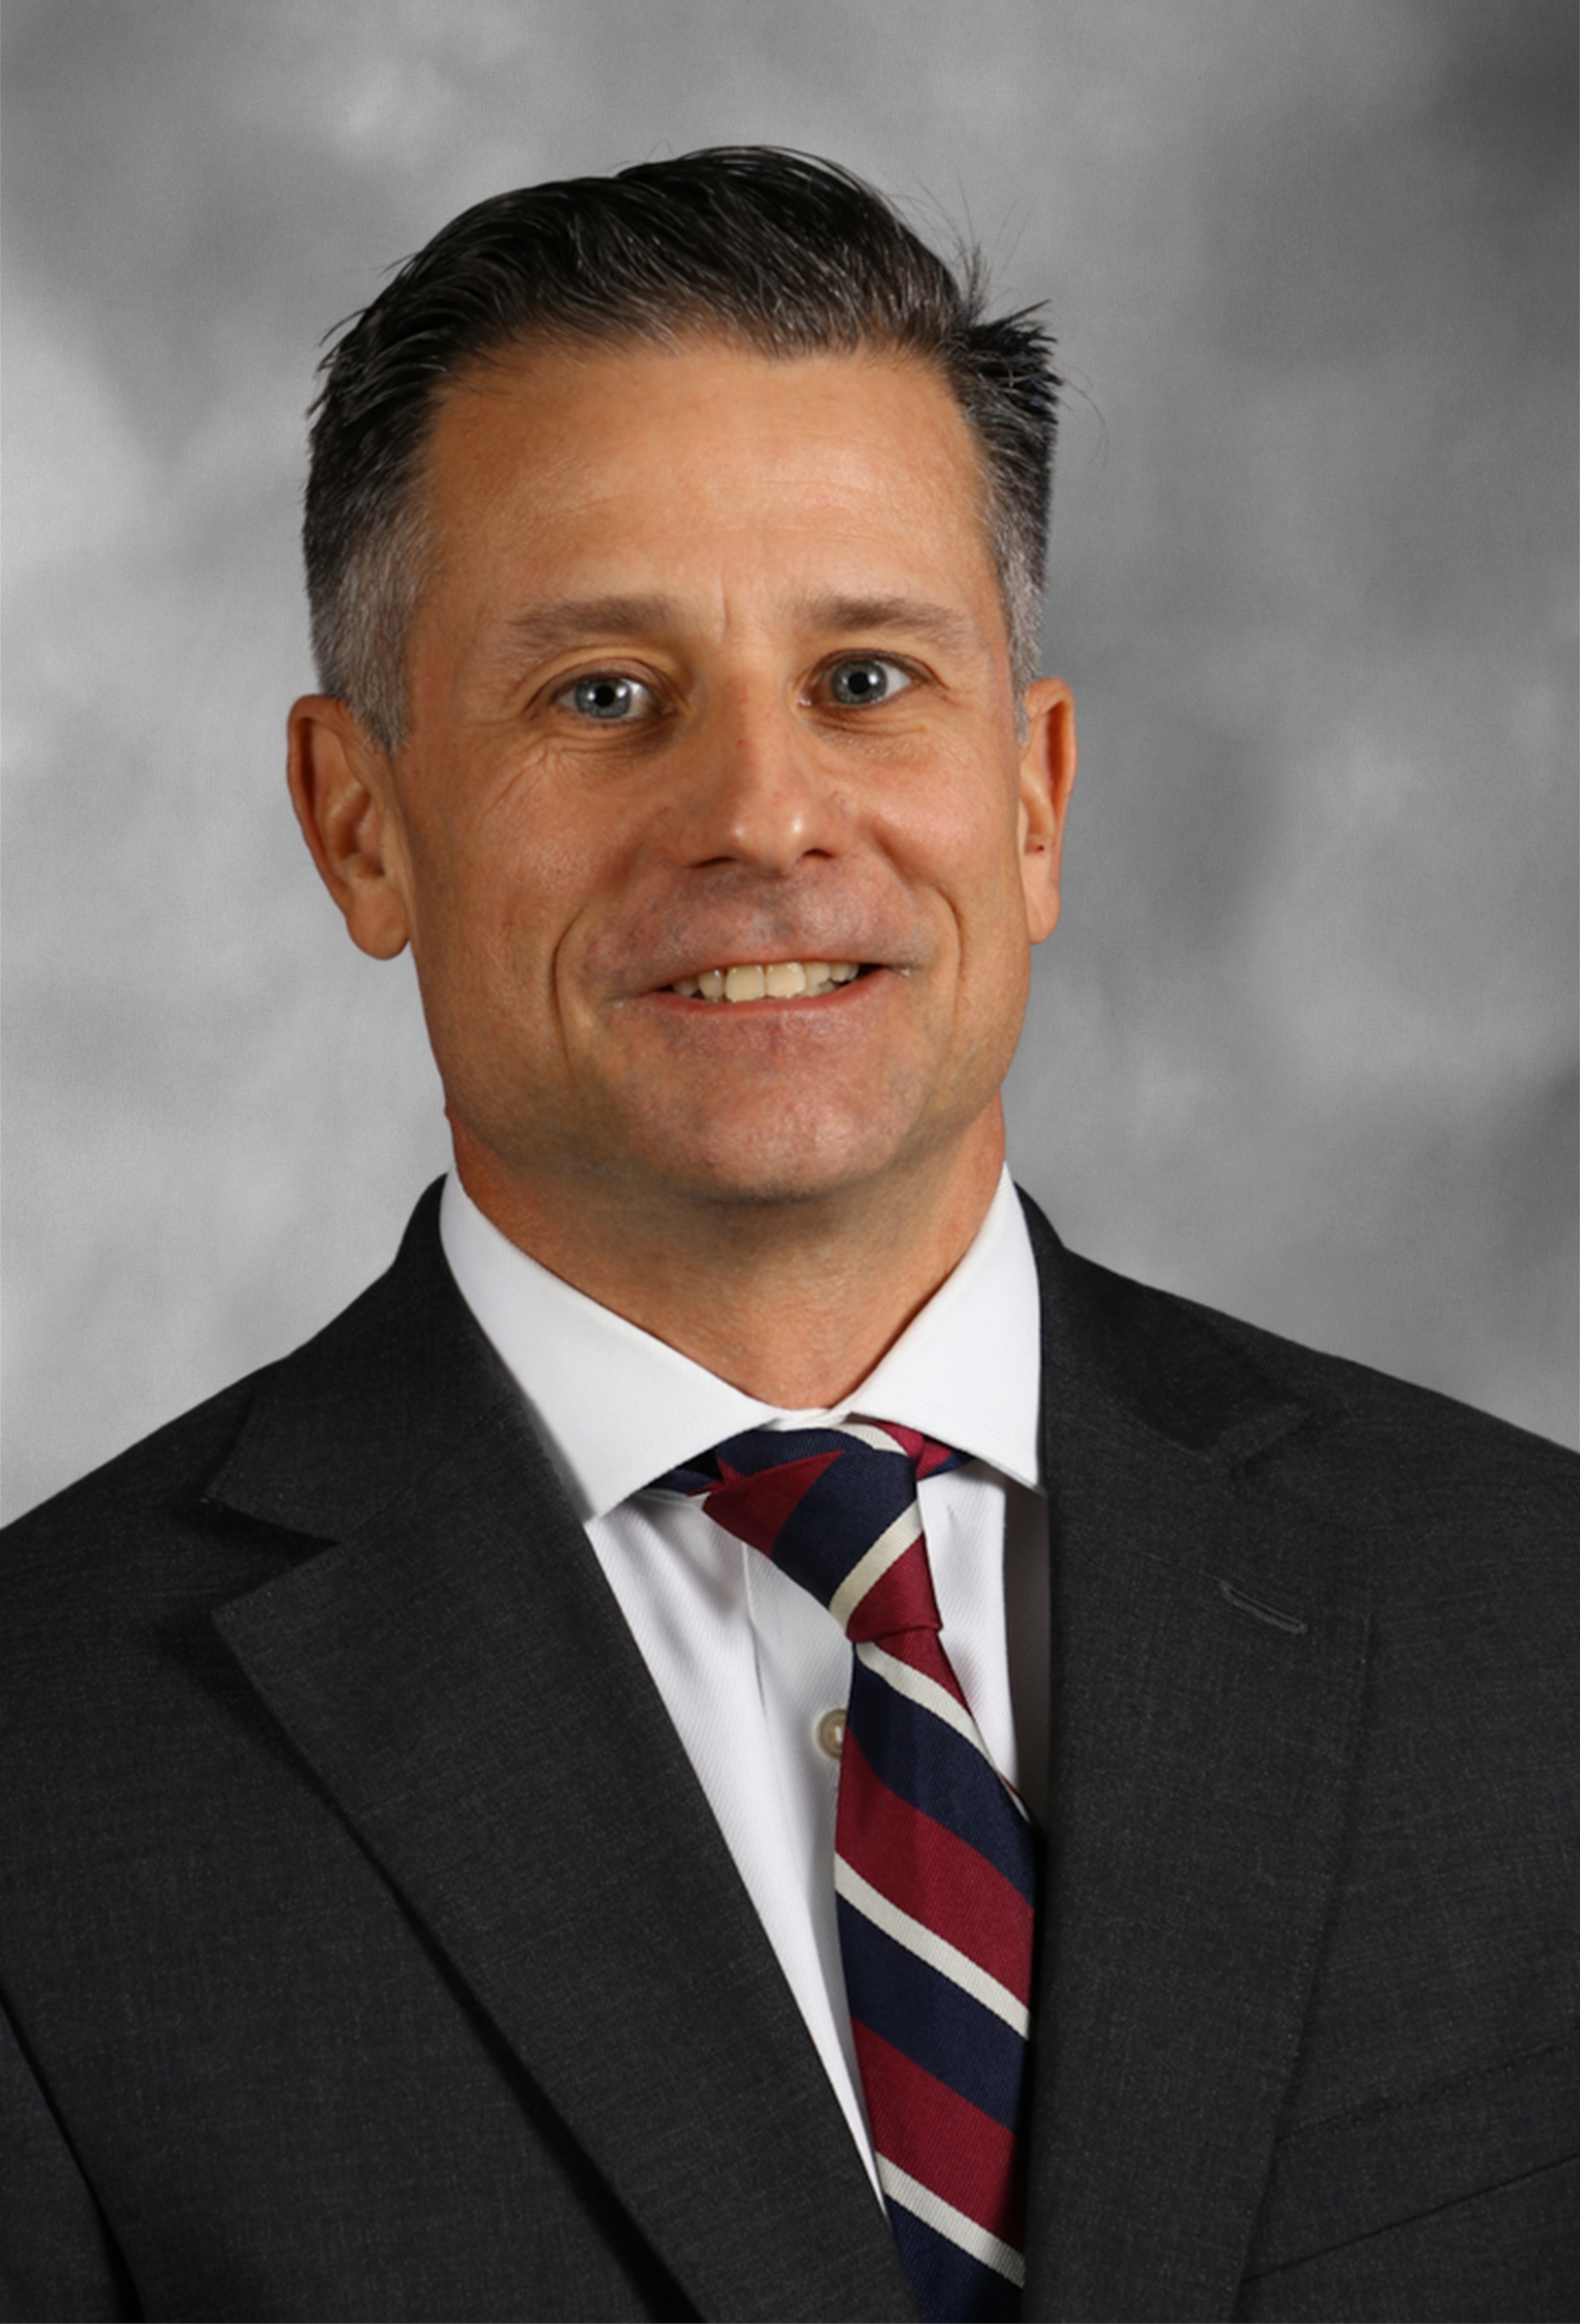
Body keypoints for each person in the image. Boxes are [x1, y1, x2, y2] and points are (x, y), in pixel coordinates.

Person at [1, 148, 1574, 2324]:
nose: (758, 815)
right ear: (360, 825)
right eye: (601, 694)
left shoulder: (1528, 1624)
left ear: (1032, 797)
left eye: (863, 681)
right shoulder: (47, 1772)